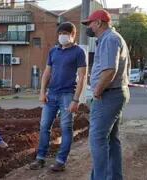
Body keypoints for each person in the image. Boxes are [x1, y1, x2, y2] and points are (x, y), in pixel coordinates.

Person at [29, 22, 87, 172]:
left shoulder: (79, 52)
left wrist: (76, 99)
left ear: (73, 35)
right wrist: (42, 91)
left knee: (66, 128)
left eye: (66, 33)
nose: (62, 36)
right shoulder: (53, 51)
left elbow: (82, 77)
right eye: (60, 33)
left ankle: (61, 161)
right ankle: (40, 158)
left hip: (68, 95)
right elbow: (47, 73)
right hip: (52, 94)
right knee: (44, 127)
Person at [81, 9, 131, 180]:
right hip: (115, 94)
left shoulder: (109, 39)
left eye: (89, 23)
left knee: (97, 139)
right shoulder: (110, 38)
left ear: (99, 23)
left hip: (108, 95)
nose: (88, 27)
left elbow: (110, 70)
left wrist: (96, 91)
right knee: (111, 140)